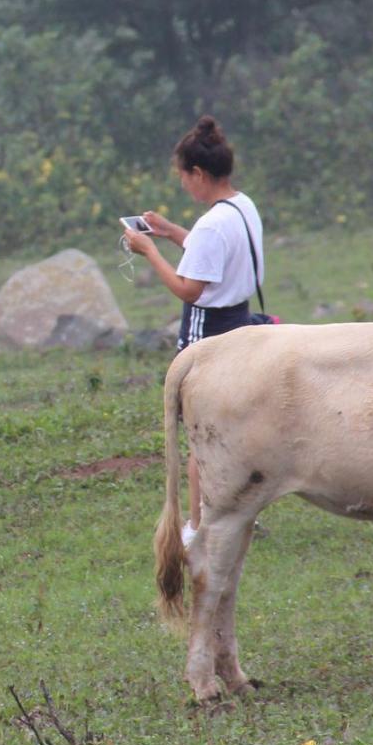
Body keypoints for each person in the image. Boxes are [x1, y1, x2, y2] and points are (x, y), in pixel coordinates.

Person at [122, 115, 271, 546]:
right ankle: (240, 512)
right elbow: (212, 254)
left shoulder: (211, 225)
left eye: (184, 177)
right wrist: (169, 232)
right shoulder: (242, 207)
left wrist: (149, 249)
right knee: (237, 425)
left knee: (201, 430)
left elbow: (190, 289)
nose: (183, 185)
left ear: (199, 174)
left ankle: (198, 526)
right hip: (241, 323)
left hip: (207, 329)